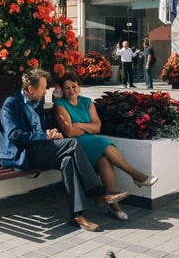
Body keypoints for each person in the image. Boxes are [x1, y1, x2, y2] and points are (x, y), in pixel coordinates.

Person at [0, 68, 129, 232]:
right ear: (31, 89)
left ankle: (76, 216)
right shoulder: (11, 104)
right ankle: (98, 192)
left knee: (68, 161)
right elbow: (14, 135)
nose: (46, 91)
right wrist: (44, 137)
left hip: (41, 147)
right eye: (43, 88)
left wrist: (51, 133)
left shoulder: (36, 102)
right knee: (72, 144)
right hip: (23, 152)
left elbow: (41, 126)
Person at [53, 73, 158, 221]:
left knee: (104, 161)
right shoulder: (60, 105)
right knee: (102, 143)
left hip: (89, 141)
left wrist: (80, 125)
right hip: (74, 144)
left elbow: (97, 127)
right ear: (62, 91)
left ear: (79, 87)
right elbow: (69, 132)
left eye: (74, 87)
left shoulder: (87, 102)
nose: (71, 91)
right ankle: (136, 175)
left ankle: (113, 204)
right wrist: (87, 127)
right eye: (67, 88)